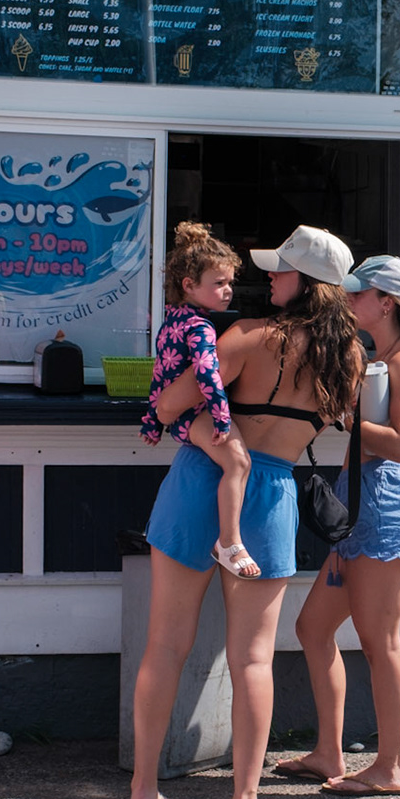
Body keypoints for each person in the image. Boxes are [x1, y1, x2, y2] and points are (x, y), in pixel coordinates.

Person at [127, 225, 362, 799]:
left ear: (306, 281)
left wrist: (213, 432)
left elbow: (169, 405)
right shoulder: (350, 359)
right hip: (271, 492)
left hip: (201, 480)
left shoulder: (249, 336)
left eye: (280, 270)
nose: (269, 277)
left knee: (164, 646)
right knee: (254, 658)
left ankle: (144, 788)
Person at [276, 256, 400, 797]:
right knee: (312, 628)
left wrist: (345, 419)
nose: (349, 301)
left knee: (380, 642)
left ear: (387, 302)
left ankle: (391, 768)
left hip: (388, 506)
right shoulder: (383, 358)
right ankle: (329, 752)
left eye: (358, 294)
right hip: (364, 505)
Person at [139, 223, 258, 582]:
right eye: (219, 283)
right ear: (189, 285)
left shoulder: (170, 321)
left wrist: (152, 422)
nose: (228, 290)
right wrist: (221, 416)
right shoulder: (201, 327)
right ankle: (229, 542)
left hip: (181, 418)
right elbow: (208, 372)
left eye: (230, 282)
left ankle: (228, 540)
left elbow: (161, 373)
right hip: (197, 414)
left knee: (234, 463)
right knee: (238, 462)